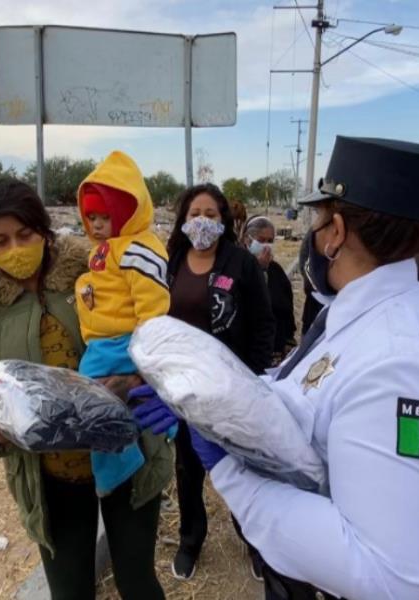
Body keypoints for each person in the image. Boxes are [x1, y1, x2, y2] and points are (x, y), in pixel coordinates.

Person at [136, 136, 419, 599]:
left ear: (336, 231)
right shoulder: (358, 315)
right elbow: (303, 389)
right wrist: (211, 403)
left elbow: (384, 575)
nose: (312, 232)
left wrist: (229, 470)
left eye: (317, 217)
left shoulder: (407, 367)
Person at [0, 178, 172, 600]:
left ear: (44, 230)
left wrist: (137, 381)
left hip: (127, 455)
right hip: (52, 476)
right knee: (70, 592)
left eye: (25, 235)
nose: (15, 248)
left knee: (138, 584)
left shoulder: (94, 274)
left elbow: (154, 334)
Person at [155, 183, 275, 581]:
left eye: (210, 214)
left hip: (231, 390)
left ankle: (255, 542)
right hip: (185, 391)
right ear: (183, 220)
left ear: (223, 220)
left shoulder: (240, 263)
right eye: (194, 214)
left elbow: (263, 324)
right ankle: (191, 541)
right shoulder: (171, 261)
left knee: (242, 467)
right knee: (188, 470)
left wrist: (252, 378)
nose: (202, 221)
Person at [74, 150, 172, 497]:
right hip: (103, 343)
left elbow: (152, 301)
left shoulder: (138, 249)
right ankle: (123, 456)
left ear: (127, 212)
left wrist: (147, 346)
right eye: (92, 217)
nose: (97, 225)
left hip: (122, 342)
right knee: (102, 401)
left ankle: (120, 465)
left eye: (105, 216)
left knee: (93, 403)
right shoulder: (107, 249)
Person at [243, 215, 297, 365]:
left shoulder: (276, 271)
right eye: (261, 240)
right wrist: (258, 269)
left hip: (276, 351)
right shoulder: (238, 267)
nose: (266, 245)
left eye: (270, 241)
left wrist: (289, 342)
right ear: (248, 240)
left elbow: (287, 309)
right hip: (248, 352)